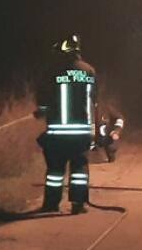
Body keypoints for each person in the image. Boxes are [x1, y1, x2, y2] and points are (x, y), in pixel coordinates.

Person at [34, 34, 97, 214]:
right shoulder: (89, 70)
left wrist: (42, 109)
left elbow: (43, 99)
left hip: (57, 133)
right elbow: (94, 99)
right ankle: (78, 204)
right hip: (81, 132)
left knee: (55, 170)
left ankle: (51, 204)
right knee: (79, 169)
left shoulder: (52, 71)